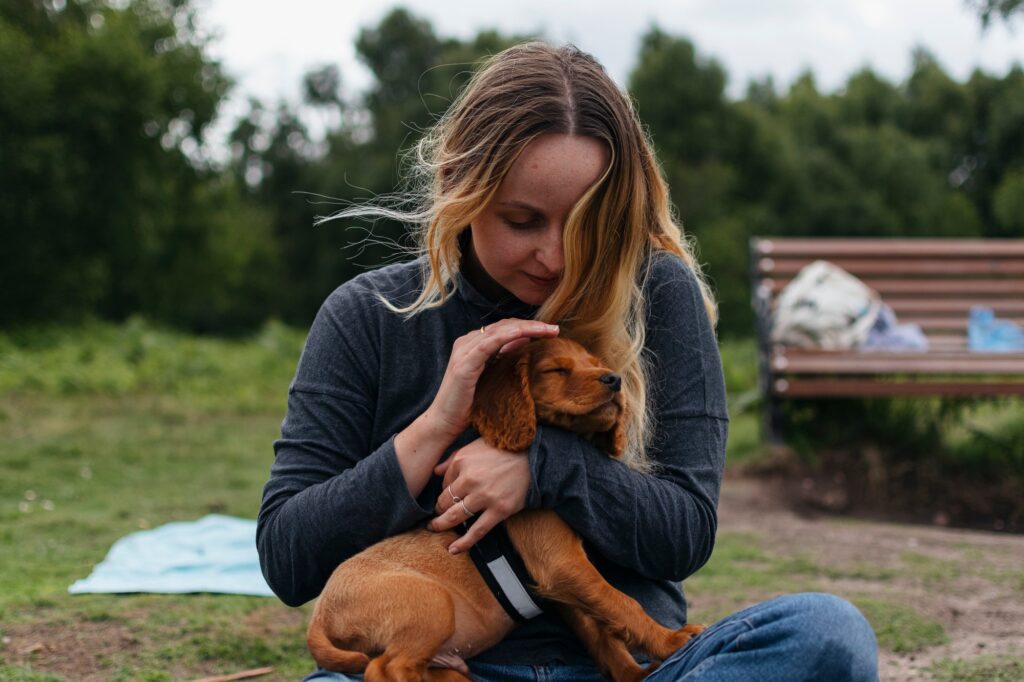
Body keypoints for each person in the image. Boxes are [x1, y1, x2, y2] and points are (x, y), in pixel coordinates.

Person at [257, 41, 879, 681]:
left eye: (586, 224)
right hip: (451, 669)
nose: (554, 258)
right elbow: (288, 559)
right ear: (458, 187)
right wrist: (433, 430)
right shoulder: (368, 315)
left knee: (827, 635)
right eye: (522, 220)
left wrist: (541, 467)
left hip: (633, 670)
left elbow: (685, 534)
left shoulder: (657, 291)